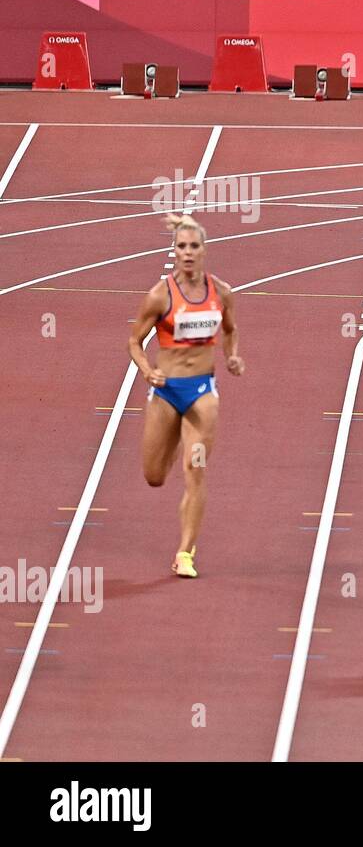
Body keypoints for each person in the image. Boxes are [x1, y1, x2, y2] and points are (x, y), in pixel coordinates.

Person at [127, 213, 244, 577]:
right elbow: (134, 341)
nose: (188, 252)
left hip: (201, 395)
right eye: (182, 246)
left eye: (194, 246)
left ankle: (185, 553)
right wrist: (147, 371)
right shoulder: (159, 295)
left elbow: (231, 329)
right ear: (174, 252)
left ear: (205, 250)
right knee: (154, 476)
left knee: (196, 470)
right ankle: (172, 437)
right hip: (166, 393)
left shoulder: (222, 292)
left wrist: (232, 356)